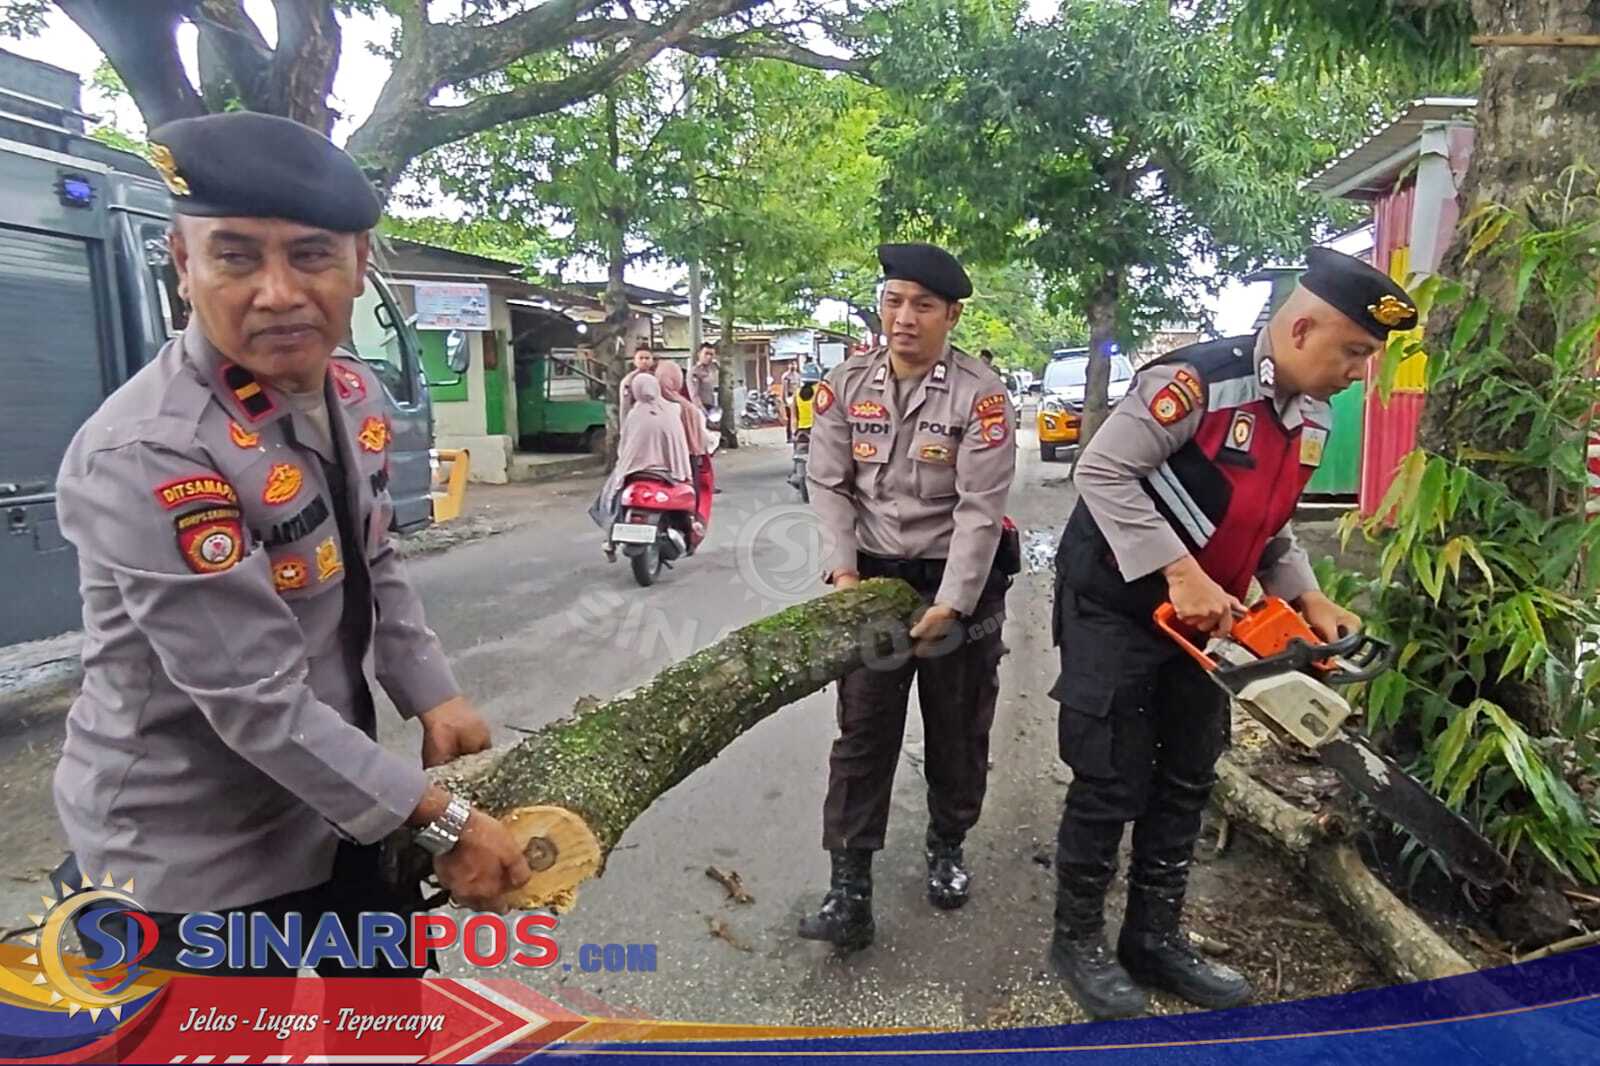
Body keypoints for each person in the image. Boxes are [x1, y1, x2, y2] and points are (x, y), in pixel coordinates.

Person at [52, 111, 533, 977]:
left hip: (339, 806)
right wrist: (446, 821)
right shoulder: (151, 449)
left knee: (388, 1020)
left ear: (360, 264)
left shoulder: (353, 392)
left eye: (311, 255)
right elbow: (254, 699)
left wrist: (433, 694)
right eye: (236, 257)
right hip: (189, 861)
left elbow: (372, 559)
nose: (277, 292)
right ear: (184, 264)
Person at [1046, 246, 1406, 1019]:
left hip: (1208, 619)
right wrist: (1179, 571)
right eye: (1353, 352)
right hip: (1114, 603)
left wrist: (1307, 597)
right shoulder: (1197, 384)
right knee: (1110, 776)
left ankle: (1154, 937)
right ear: (1302, 329)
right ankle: (1077, 941)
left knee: (1188, 772)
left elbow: (1270, 527)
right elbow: (1101, 470)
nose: (1358, 373)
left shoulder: (1311, 416)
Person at [799, 242, 1017, 950]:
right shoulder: (844, 384)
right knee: (863, 731)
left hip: (959, 584)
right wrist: (843, 575)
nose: (904, 317)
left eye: (923, 305)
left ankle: (948, 844)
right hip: (873, 585)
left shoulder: (981, 395)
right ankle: (849, 890)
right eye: (893, 301)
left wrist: (951, 603)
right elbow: (828, 483)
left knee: (957, 728)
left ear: (951, 315)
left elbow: (980, 508)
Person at [590, 374, 694, 556]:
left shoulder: (634, 415)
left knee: (611, 495)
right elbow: (679, 444)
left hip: (635, 470)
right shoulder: (672, 410)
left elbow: (624, 448)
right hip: (669, 471)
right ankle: (689, 532)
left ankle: (610, 539)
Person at [654, 360, 713, 534]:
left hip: (651, 464)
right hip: (685, 460)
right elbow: (701, 439)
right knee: (690, 496)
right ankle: (691, 526)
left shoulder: (646, 406)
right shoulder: (687, 408)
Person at [619, 341, 656, 423]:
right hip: (636, 419)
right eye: (641, 358)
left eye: (647, 358)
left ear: (652, 360)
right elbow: (625, 406)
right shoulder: (628, 381)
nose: (644, 361)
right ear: (634, 361)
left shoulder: (657, 378)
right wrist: (624, 425)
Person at [691, 342, 721, 411]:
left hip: (712, 407)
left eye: (711, 354)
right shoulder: (695, 371)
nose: (709, 357)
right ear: (699, 354)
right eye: (706, 353)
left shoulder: (712, 369)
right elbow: (694, 395)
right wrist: (703, 411)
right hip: (701, 408)